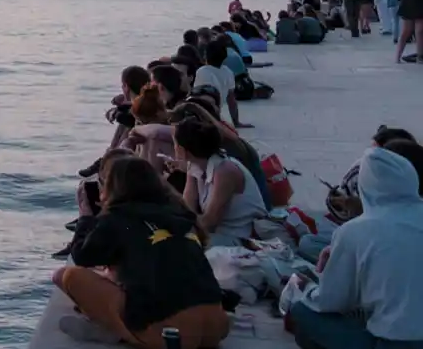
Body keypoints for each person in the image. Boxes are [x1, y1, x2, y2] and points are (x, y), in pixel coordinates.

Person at [54, 157, 230, 348]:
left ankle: (115, 332)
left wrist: (86, 217)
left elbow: (81, 257)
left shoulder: (117, 218)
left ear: (112, 187)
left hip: (174, 336)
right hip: (216, 327)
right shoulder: (179, 212)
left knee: (68, 276)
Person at [288, 147, 423, 349]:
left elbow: (331, 302)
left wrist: (306, 289)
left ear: (364, 186)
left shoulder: (355, 231)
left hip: (394, 343)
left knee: (301, 311)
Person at [175, 116, 267, 246]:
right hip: (218, 233)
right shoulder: (194, 165)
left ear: (183, 150)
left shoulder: (225, 171)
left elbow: (210, 221)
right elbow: (188, 209)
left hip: (242, 236)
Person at [193, 42, 247, 128]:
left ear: (205, 56)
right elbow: (231, 100)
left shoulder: (201, 71)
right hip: (216, 115)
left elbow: (196, 96)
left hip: (202, 114)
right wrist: (236, 122)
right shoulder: (228, 72)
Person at [399, 0, 423, 65]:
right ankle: (420, 57)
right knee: (419, 33)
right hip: (420, 12)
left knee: (404, 34)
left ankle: (397, 57)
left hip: (408, 12)